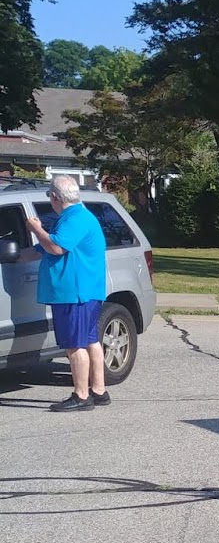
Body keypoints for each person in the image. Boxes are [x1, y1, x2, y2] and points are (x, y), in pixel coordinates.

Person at [24, 175, 109, 412]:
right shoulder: (73, 217)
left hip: (75, 294)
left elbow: (56, 247)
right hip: (84, 292)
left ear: (54, 196)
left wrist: (36, 228)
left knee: (74, 345)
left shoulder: (76, 219)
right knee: (90, 340)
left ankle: (81, 396)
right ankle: (99, 390)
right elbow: (43, 248)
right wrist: (15, 255)